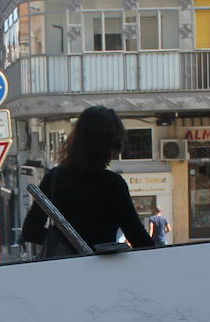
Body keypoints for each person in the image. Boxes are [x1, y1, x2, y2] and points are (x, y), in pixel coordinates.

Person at [20, 107, 155, 257]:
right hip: (102, 271)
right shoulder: (113, 184)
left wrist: (61, 242)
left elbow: (30, 231)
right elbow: (138, 239)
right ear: (111, 144)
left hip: (65, 271)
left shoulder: (54, 178)